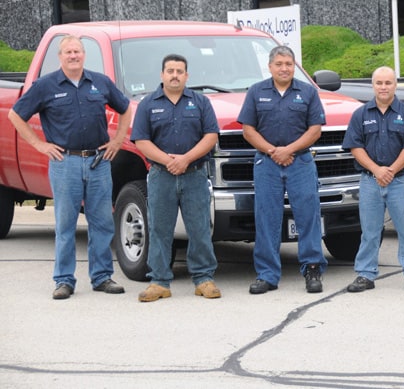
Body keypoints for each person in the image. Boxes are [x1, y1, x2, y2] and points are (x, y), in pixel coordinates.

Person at [8, 35, 132, 300]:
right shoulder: (45, 86)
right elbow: (15, 115)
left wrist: (118, 140)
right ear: (60, 56)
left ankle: (101, 277)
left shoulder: (100, 82)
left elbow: (125, 109)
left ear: (84, 55)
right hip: (66, 163)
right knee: (65, 225)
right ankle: (64, 280)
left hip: (99, 162)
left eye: (77, 51)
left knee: (102, 223)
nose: (73, 56)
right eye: (68, 52)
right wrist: (40, 145)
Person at [237, 45, 327, 294]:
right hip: (267, 163)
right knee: (267, 218)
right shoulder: (256, 92)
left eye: (288, 64)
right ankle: (267, 274)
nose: (284, 68)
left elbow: (315, 129)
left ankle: (312, 269)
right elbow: (248, 130)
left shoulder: (308, 92)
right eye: (279, 64)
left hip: (300, 162)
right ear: (270, 66)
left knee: (308, 216)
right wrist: (272, 151)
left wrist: (289, 150)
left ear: (294, 65)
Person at [131, 54, 221, 302]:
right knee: (159, 229)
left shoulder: (200, 102)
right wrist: (168, 161)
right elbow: (141, 140)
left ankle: (203, 278)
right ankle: (159, 281)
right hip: (161, 176)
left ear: (187, 76)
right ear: (162, 75)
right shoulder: (148, 104)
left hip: (194, 176)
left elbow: (211, 136)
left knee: (200, 227)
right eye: (170, 70)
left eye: (179, 71)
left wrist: (185, 159)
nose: (174, 75)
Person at [342, 66, 404, 293]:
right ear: (373, 85)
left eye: (388, 83)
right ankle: (365, 274)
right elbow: (355, 147)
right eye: (379, 83)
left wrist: (389, 170)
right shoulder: (361, 114)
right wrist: (377, 170)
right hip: (370, 181)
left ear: (395, 84)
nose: (383, 87)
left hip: (400, 180)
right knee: (369, 231)